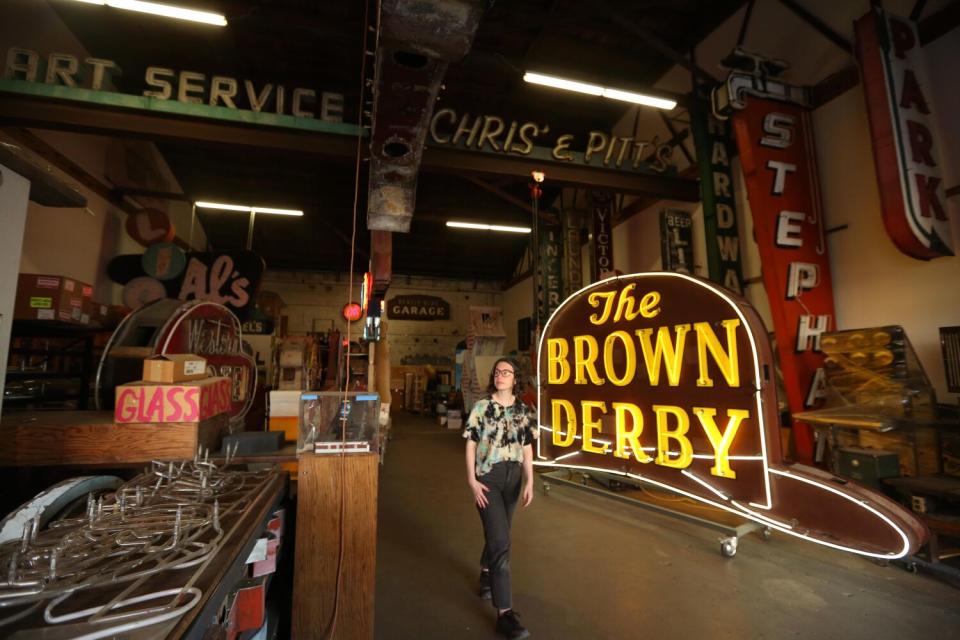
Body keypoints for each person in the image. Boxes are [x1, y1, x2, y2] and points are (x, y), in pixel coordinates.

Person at [463, 357, 537, 639]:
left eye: (506, 372)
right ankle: (504, 613)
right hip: (489, 479)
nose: (500, 375)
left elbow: (527, 448)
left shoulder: (522, 409)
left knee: (499, 532)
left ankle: (485, 571)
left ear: (515, 378)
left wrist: (530, 480)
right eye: (497, 372)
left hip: (513, 480)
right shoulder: (482, 408)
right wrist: (472, 480)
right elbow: (470, 444)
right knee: (501, 541)